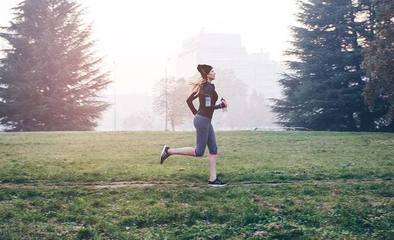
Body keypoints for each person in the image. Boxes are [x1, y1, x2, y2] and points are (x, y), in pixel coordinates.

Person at [159, 64, 228, 187]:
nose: (215, 72)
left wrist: (197, 114)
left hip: (204, 120)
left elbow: (189, 101)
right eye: (212, 71)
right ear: (207, 74)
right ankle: (168, 151)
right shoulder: (207, 88)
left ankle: (213, 180)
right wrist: (220, 106)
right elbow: (207, 107)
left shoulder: (205, 87)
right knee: (199, 151)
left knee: (213, 149)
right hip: (203, 120)